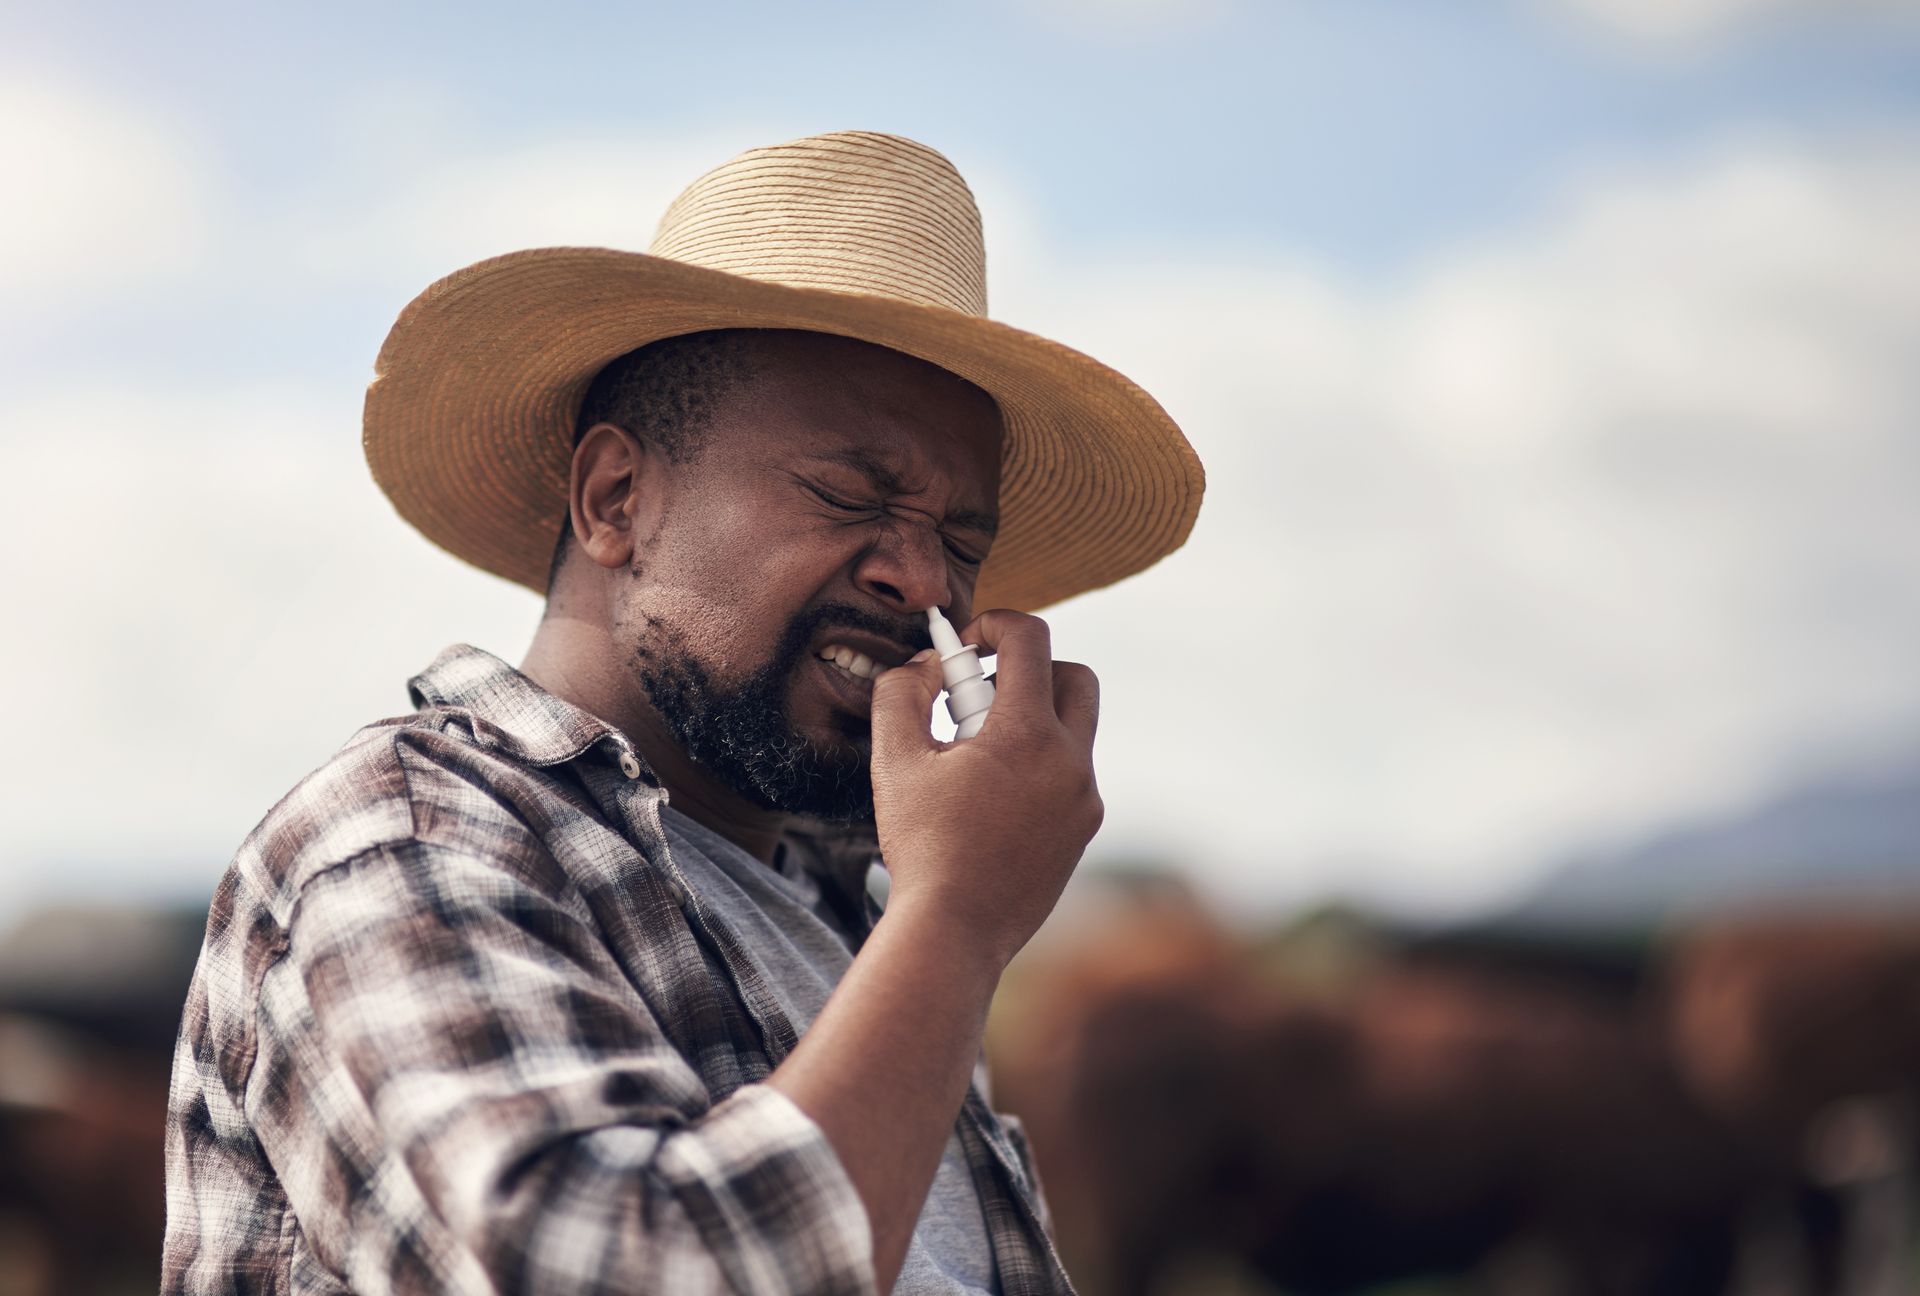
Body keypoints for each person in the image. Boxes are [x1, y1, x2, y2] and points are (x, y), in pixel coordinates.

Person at [162, 131, 1203, 1295]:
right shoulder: (404, 844)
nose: (925, 584)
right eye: (849, 494)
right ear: (617, 500)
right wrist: (959, 922)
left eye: (964, 542)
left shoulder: (840, 918)